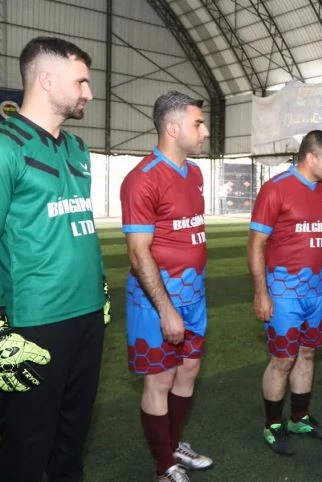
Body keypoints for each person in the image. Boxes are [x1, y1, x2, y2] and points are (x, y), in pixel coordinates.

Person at [0, 36, 109, 482]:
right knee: (25, 448)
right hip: (32, 325)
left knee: (72, 441)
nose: (89, 93)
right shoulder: (6, 148)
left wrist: (100, 291)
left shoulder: (77, 148)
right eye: (81, 81)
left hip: (88, 317)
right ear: (46, 80)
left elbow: (75, 224)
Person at [121, 91, 212, 481]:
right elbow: (139, 253)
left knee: (188, 369)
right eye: (198, 124)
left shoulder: (195, 173)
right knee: (160, 379)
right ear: (173, 129)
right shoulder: (142, 179)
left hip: (194, 296)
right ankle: (164, 468)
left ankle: (173, 447)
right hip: (155, 301)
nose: (205, 132)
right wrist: (166, 309)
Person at [248, 130, 322, 456]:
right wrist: (261, 293)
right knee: (283, 359)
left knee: (307, 353)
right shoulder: (276, 189)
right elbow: (256, 244)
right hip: (283, 293)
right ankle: (272, 425)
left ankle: (299, 418)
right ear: (311, 157)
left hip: (315, 292)